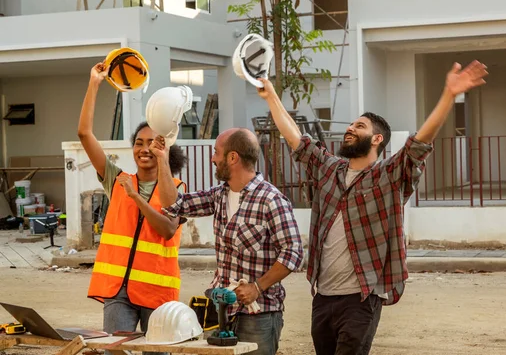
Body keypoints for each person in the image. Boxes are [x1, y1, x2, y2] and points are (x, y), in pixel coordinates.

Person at [256, 61, 488, 355]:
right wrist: (272, 96)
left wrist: (448, 95)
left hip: (361, 299)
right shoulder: (329, 169)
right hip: (323, 297)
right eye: (352, 124)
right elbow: (296, 139)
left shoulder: (387, 177)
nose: (350, 128)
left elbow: (418, 144)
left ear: (377, 139)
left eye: (359, 126)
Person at [151, 128, 304, 355]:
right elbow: (174, 204)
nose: (212, 159)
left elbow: (293, 252)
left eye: (216, 153)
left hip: (259, 315)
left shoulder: (271, 200)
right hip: (221, 311)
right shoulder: (219, 195)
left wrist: (258, 287)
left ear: (233, 158)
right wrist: (162, 160)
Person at [79, 62, 188, 355]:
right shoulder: (117, 179)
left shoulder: (177, 189)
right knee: (115, 351)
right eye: (139, 143)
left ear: (163, 147)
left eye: (152, 143)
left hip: (157, 293)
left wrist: (137, 199)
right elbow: (84, 134)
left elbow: (166, 229)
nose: (144, 148)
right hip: (118, 290)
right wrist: (94, 83)